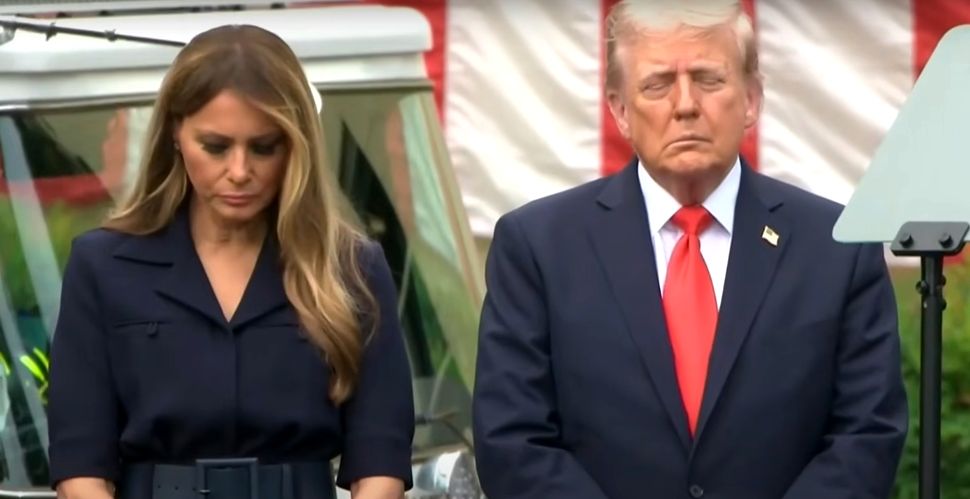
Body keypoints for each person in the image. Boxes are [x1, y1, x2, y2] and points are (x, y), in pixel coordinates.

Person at [471, 1, 908, 498]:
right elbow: (513, 441)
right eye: (657, 84)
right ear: (620, 111)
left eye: (708, 79)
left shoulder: (836, 247)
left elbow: (866, 434)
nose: (685, 105)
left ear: (751, 99)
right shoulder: (539, 249)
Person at [46, 24, 414, 499]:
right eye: (216, 147)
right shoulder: (103, 266)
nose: (240, 172)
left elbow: (381, 464)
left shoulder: (352, 270)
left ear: (296, 144)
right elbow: (80, 468)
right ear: (175, 133)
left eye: (264, 147)